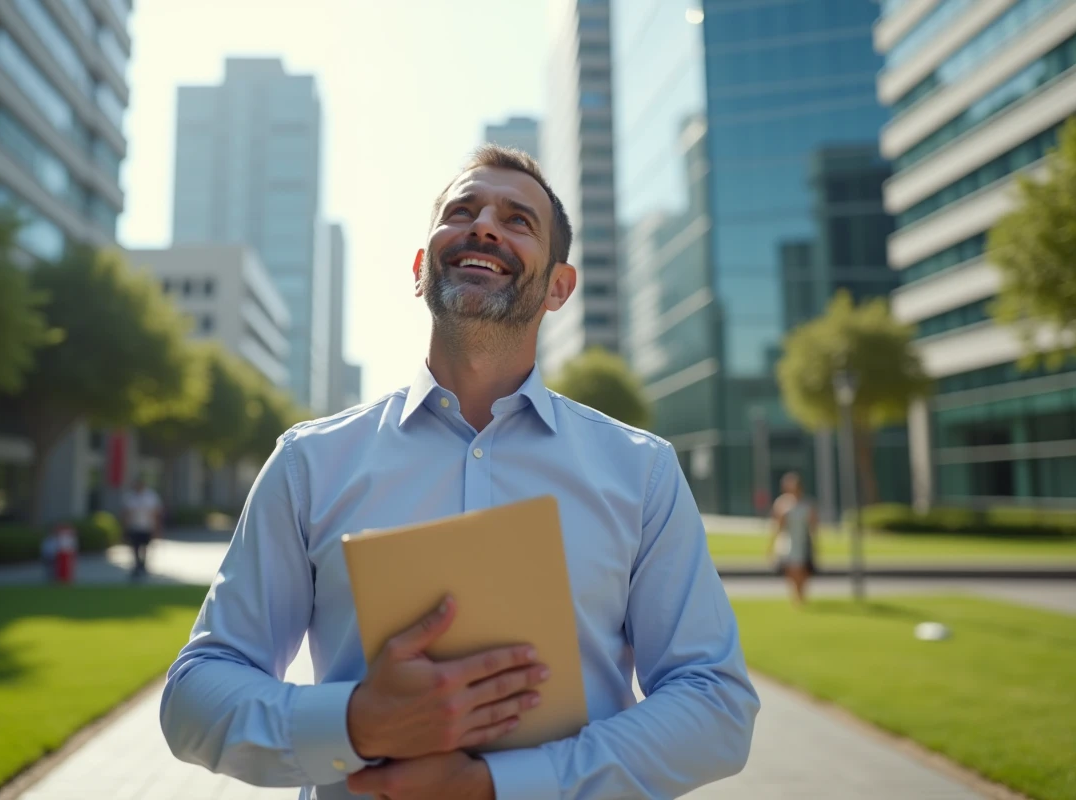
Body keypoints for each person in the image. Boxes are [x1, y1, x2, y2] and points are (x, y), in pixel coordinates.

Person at [159, 146, 759, 800]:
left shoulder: (640, 472)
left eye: (517, 220)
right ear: (420, 270)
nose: (484, 227)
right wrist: (356, 723)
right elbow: (195, 694)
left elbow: (714, 701)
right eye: (462, 212)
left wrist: (500, 785)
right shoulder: (309, 462)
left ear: (560, 286)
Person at [767, 472, 818, 606]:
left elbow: (813, 525)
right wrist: (771, 545)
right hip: (787, 540)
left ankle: (801, 595)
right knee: (792, 569)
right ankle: (796, 596)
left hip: (803, 540)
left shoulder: (807, 504)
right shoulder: (781, 504)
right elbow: (777, 526)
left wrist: (816, 543)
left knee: (803, 570)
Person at [120, 475, 163, 579]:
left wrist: (157, 528)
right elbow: (126, 513)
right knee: (135, 547)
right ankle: (137, 565)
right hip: (134, 527)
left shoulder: (150, 496)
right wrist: (125, 527)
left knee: (145, 547)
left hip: (147, 526)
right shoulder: (130, 497)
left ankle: (142, 565)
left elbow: (156, 513)